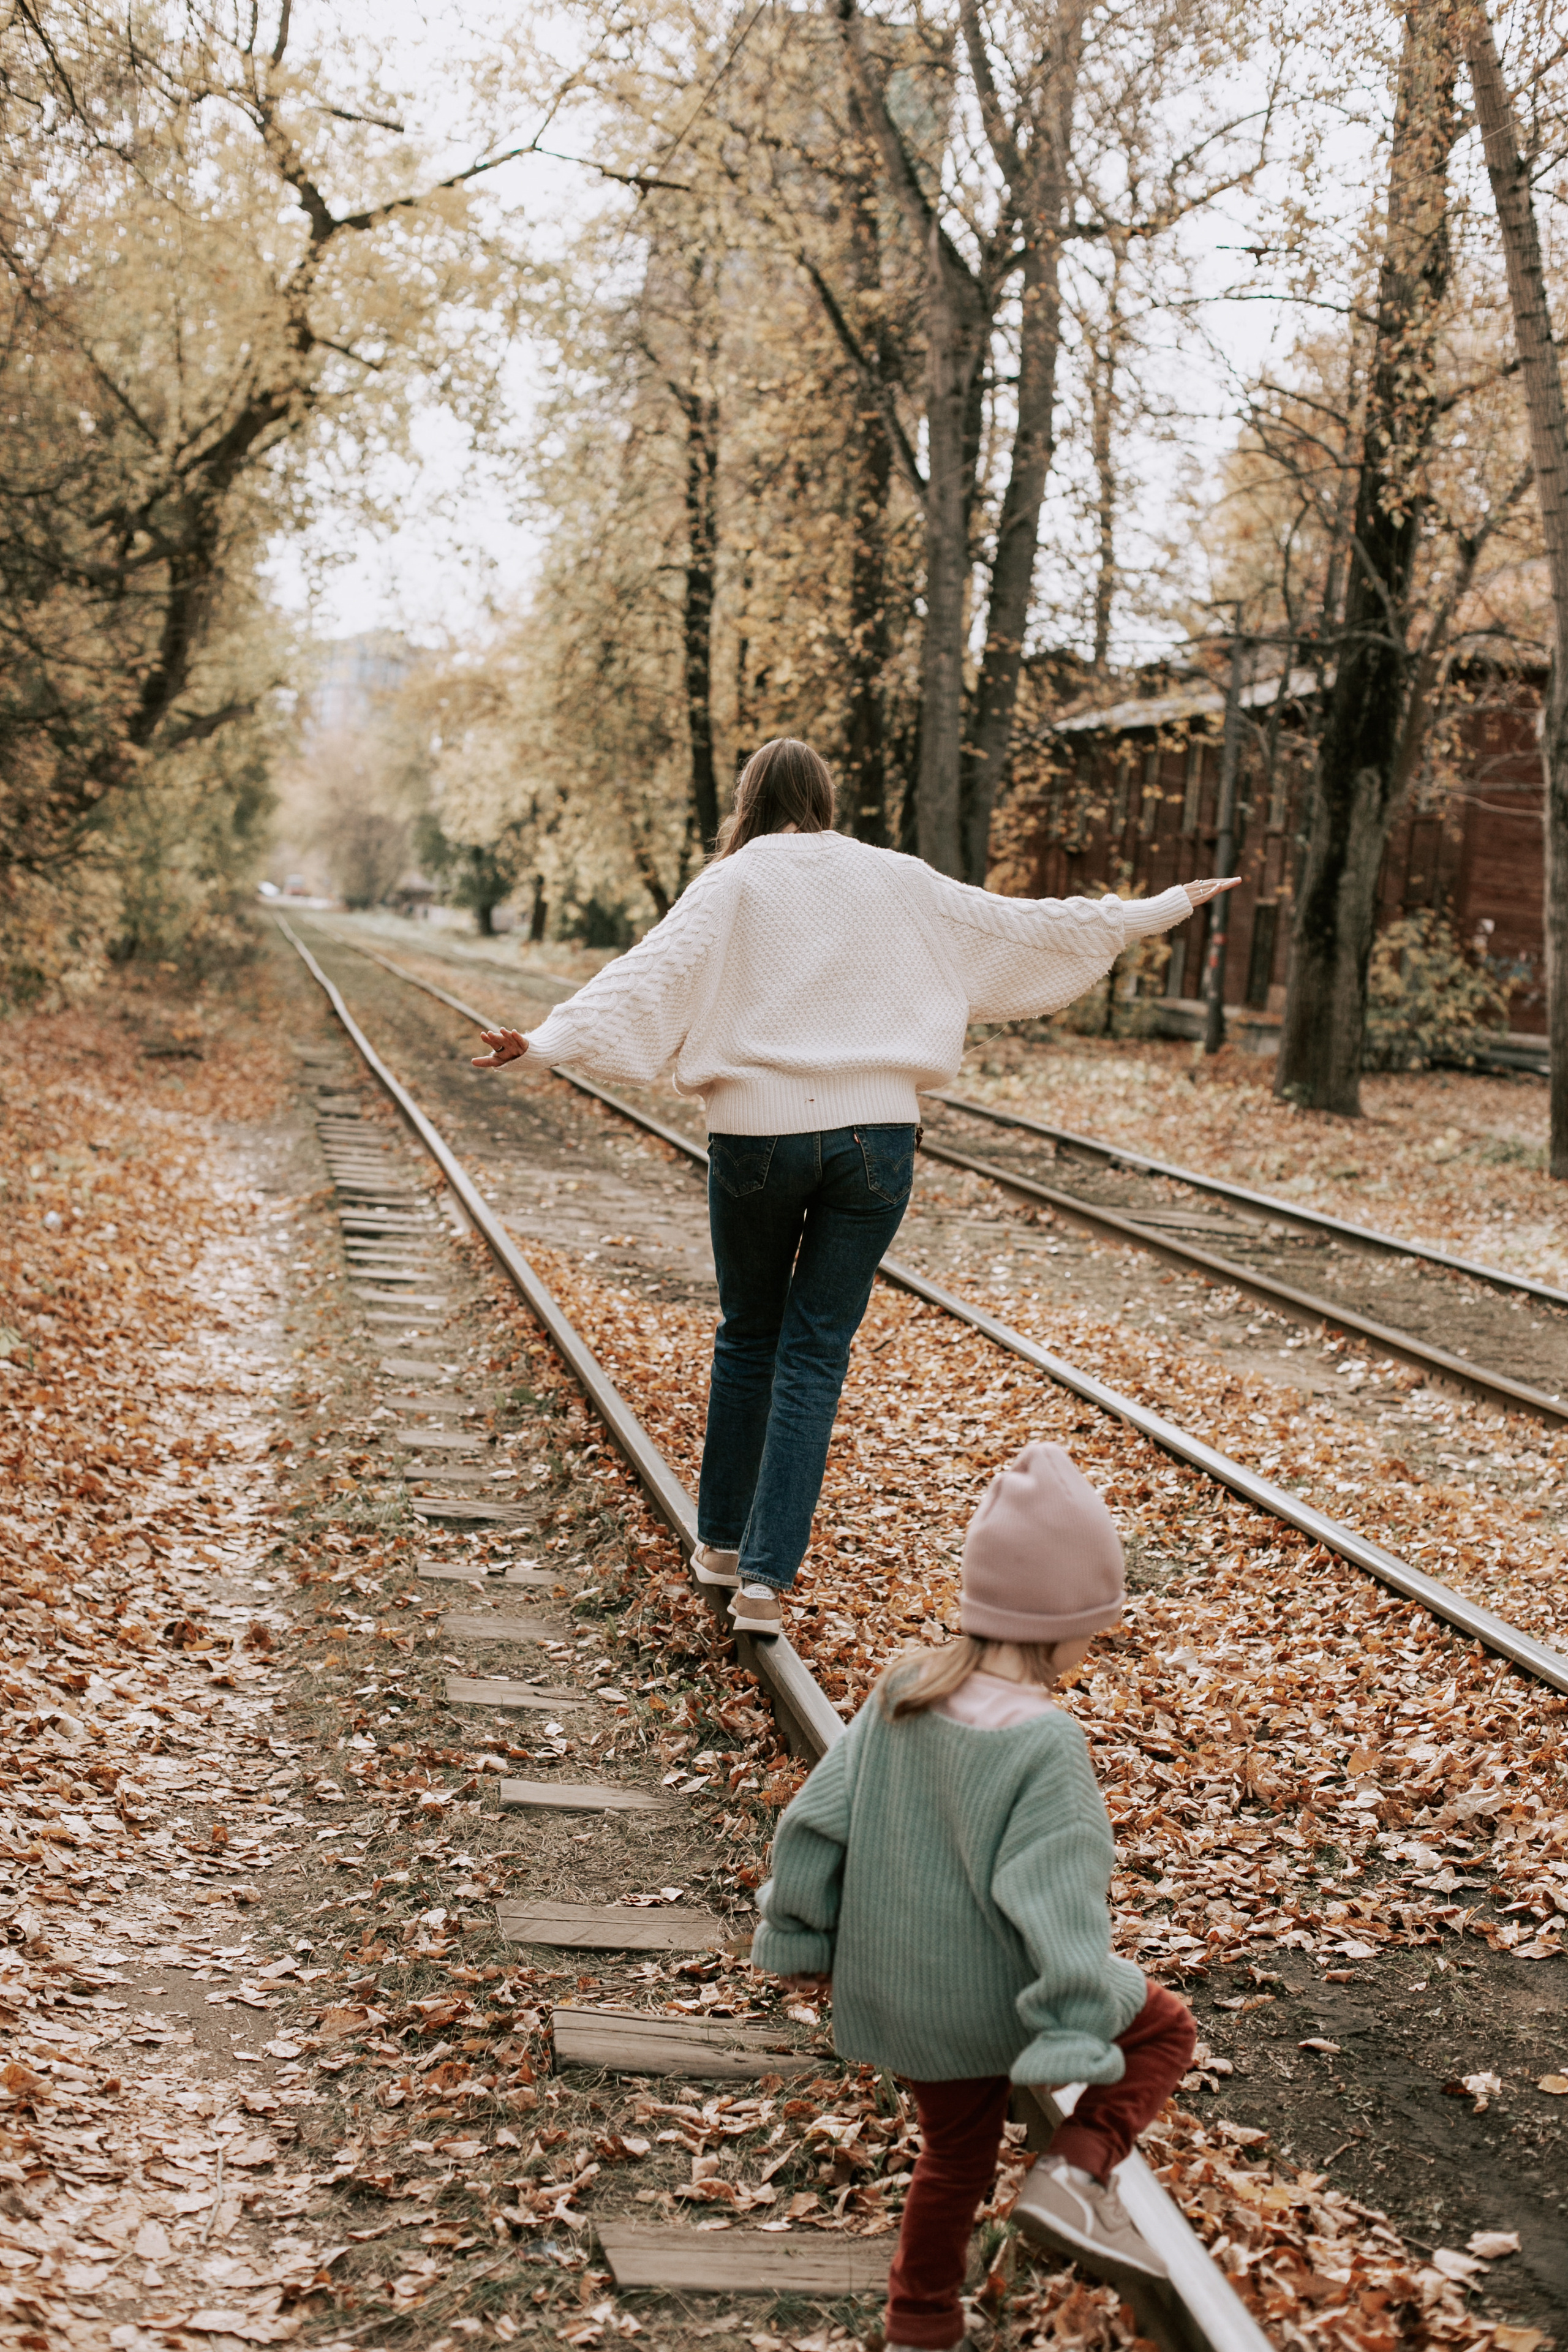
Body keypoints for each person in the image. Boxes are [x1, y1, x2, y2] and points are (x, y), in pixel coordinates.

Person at [472, 737, 1236, 1634]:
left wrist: (547, 1041)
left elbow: (648, 974)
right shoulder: (896, 877)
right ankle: (763, 1584)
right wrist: (1155, 908)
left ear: (751, 801)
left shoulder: (735, 881)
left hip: (756, 1138)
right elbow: (1024, 924)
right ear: (826, 798)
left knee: (749, 1333)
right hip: (876, 1140)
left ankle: (719, 1543)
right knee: (815, 1350)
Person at [750, 1442, 1197, 2349]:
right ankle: (1073, 2176)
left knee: (954, 2156)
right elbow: (1060, 1906)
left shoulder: (904, 1690)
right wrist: (1072, 2027)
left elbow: (812, 1823)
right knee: (1165, 2030)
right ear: (1063, 1620)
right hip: (985, 2002)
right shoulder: (1045, 1745)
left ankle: (921, 2321)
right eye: (1093, 1624)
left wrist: (800, 1937)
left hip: (894, 1990)